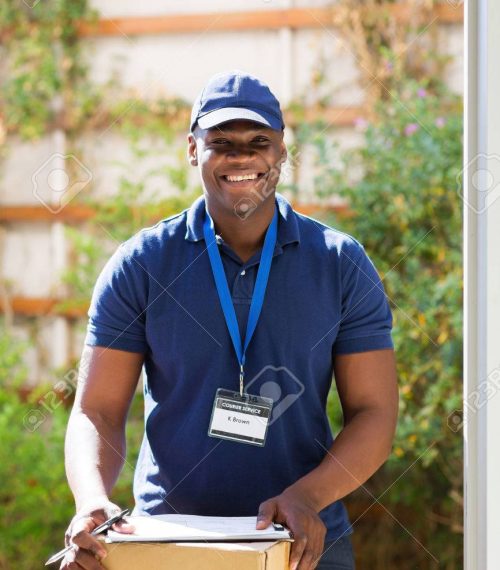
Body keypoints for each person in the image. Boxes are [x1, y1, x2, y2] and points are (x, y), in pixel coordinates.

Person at [61, 70, 398, 570]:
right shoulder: (142, 264)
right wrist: (92, 499)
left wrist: (308, 497)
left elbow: (374, 412)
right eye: (221, 142)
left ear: (282, 150)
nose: (242, 156)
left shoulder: (339, 263)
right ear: (193, 150)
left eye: (258, 141)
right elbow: (97, 412)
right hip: (167, 542)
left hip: (301, 543)